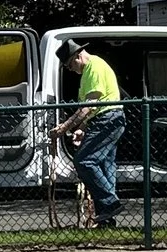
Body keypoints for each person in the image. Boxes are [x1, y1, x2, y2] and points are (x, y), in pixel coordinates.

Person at [53, 37, 125, 228]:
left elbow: (90, 104)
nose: (71, 70)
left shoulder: (94, 67)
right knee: (104, 165)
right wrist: (82, 129)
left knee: (84, 161)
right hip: (108, 119)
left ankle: (110, 204)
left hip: (107, 120)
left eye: (69, 65)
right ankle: (107, 219)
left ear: (77, 56)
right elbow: (94, 106)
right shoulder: (90, 70)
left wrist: (66, 127)